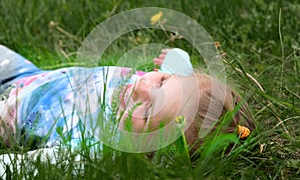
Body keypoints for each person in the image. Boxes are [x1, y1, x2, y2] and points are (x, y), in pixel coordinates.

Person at [0, 44, 254, 151]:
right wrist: (178, 61)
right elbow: (179, 72)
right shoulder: (169, 92)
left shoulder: (94, 147)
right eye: (162, 81)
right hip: (30, 75)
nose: (141, 87)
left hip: (8, 112)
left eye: (147, 109)